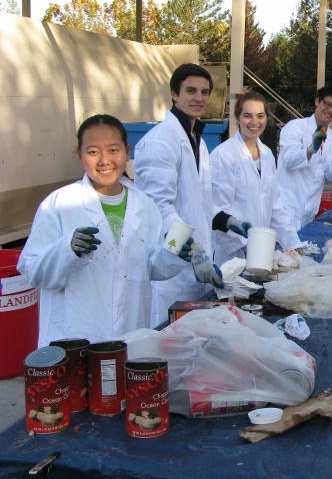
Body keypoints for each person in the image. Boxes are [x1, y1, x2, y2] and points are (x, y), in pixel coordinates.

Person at [18, 115, 191, 346]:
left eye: (113, 150)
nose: (104, 160)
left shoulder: (145, 206)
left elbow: (150, 268)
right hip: (74, 337)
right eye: (92, 152)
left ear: (127, 152)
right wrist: (66, 251)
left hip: (130, 335)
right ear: (78, 155)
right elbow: (32, 271)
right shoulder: (59, 204)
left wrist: (173, 255)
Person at [133, 63, 224, 328]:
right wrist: (193, 252)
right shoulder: (160, 141)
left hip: (196, 269)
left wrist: (223, 221)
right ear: (174, 93)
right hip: (170, 271)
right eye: (191, 90)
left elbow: (200, 202)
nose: (199, 98)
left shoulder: (198, 139)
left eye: (205, 92)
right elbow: (157, 207)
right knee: (169, 339)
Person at [210, 92, 305, 264]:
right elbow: (216, 209)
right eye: (247, 116)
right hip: (231, 254)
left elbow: (275, 204)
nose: (254, 122)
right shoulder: (224, 155)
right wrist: (247, 244)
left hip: (260, 251)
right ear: (237, 118)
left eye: (260, 116)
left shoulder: (267, 155)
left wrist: (294, 245)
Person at [276, 86, 332, 229]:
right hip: (285, 208)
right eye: (327, 104)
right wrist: (312, 148)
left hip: (309, 211)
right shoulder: (295, 127)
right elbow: (288, 161)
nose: (330, 110)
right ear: (317, 101)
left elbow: (331, 174)